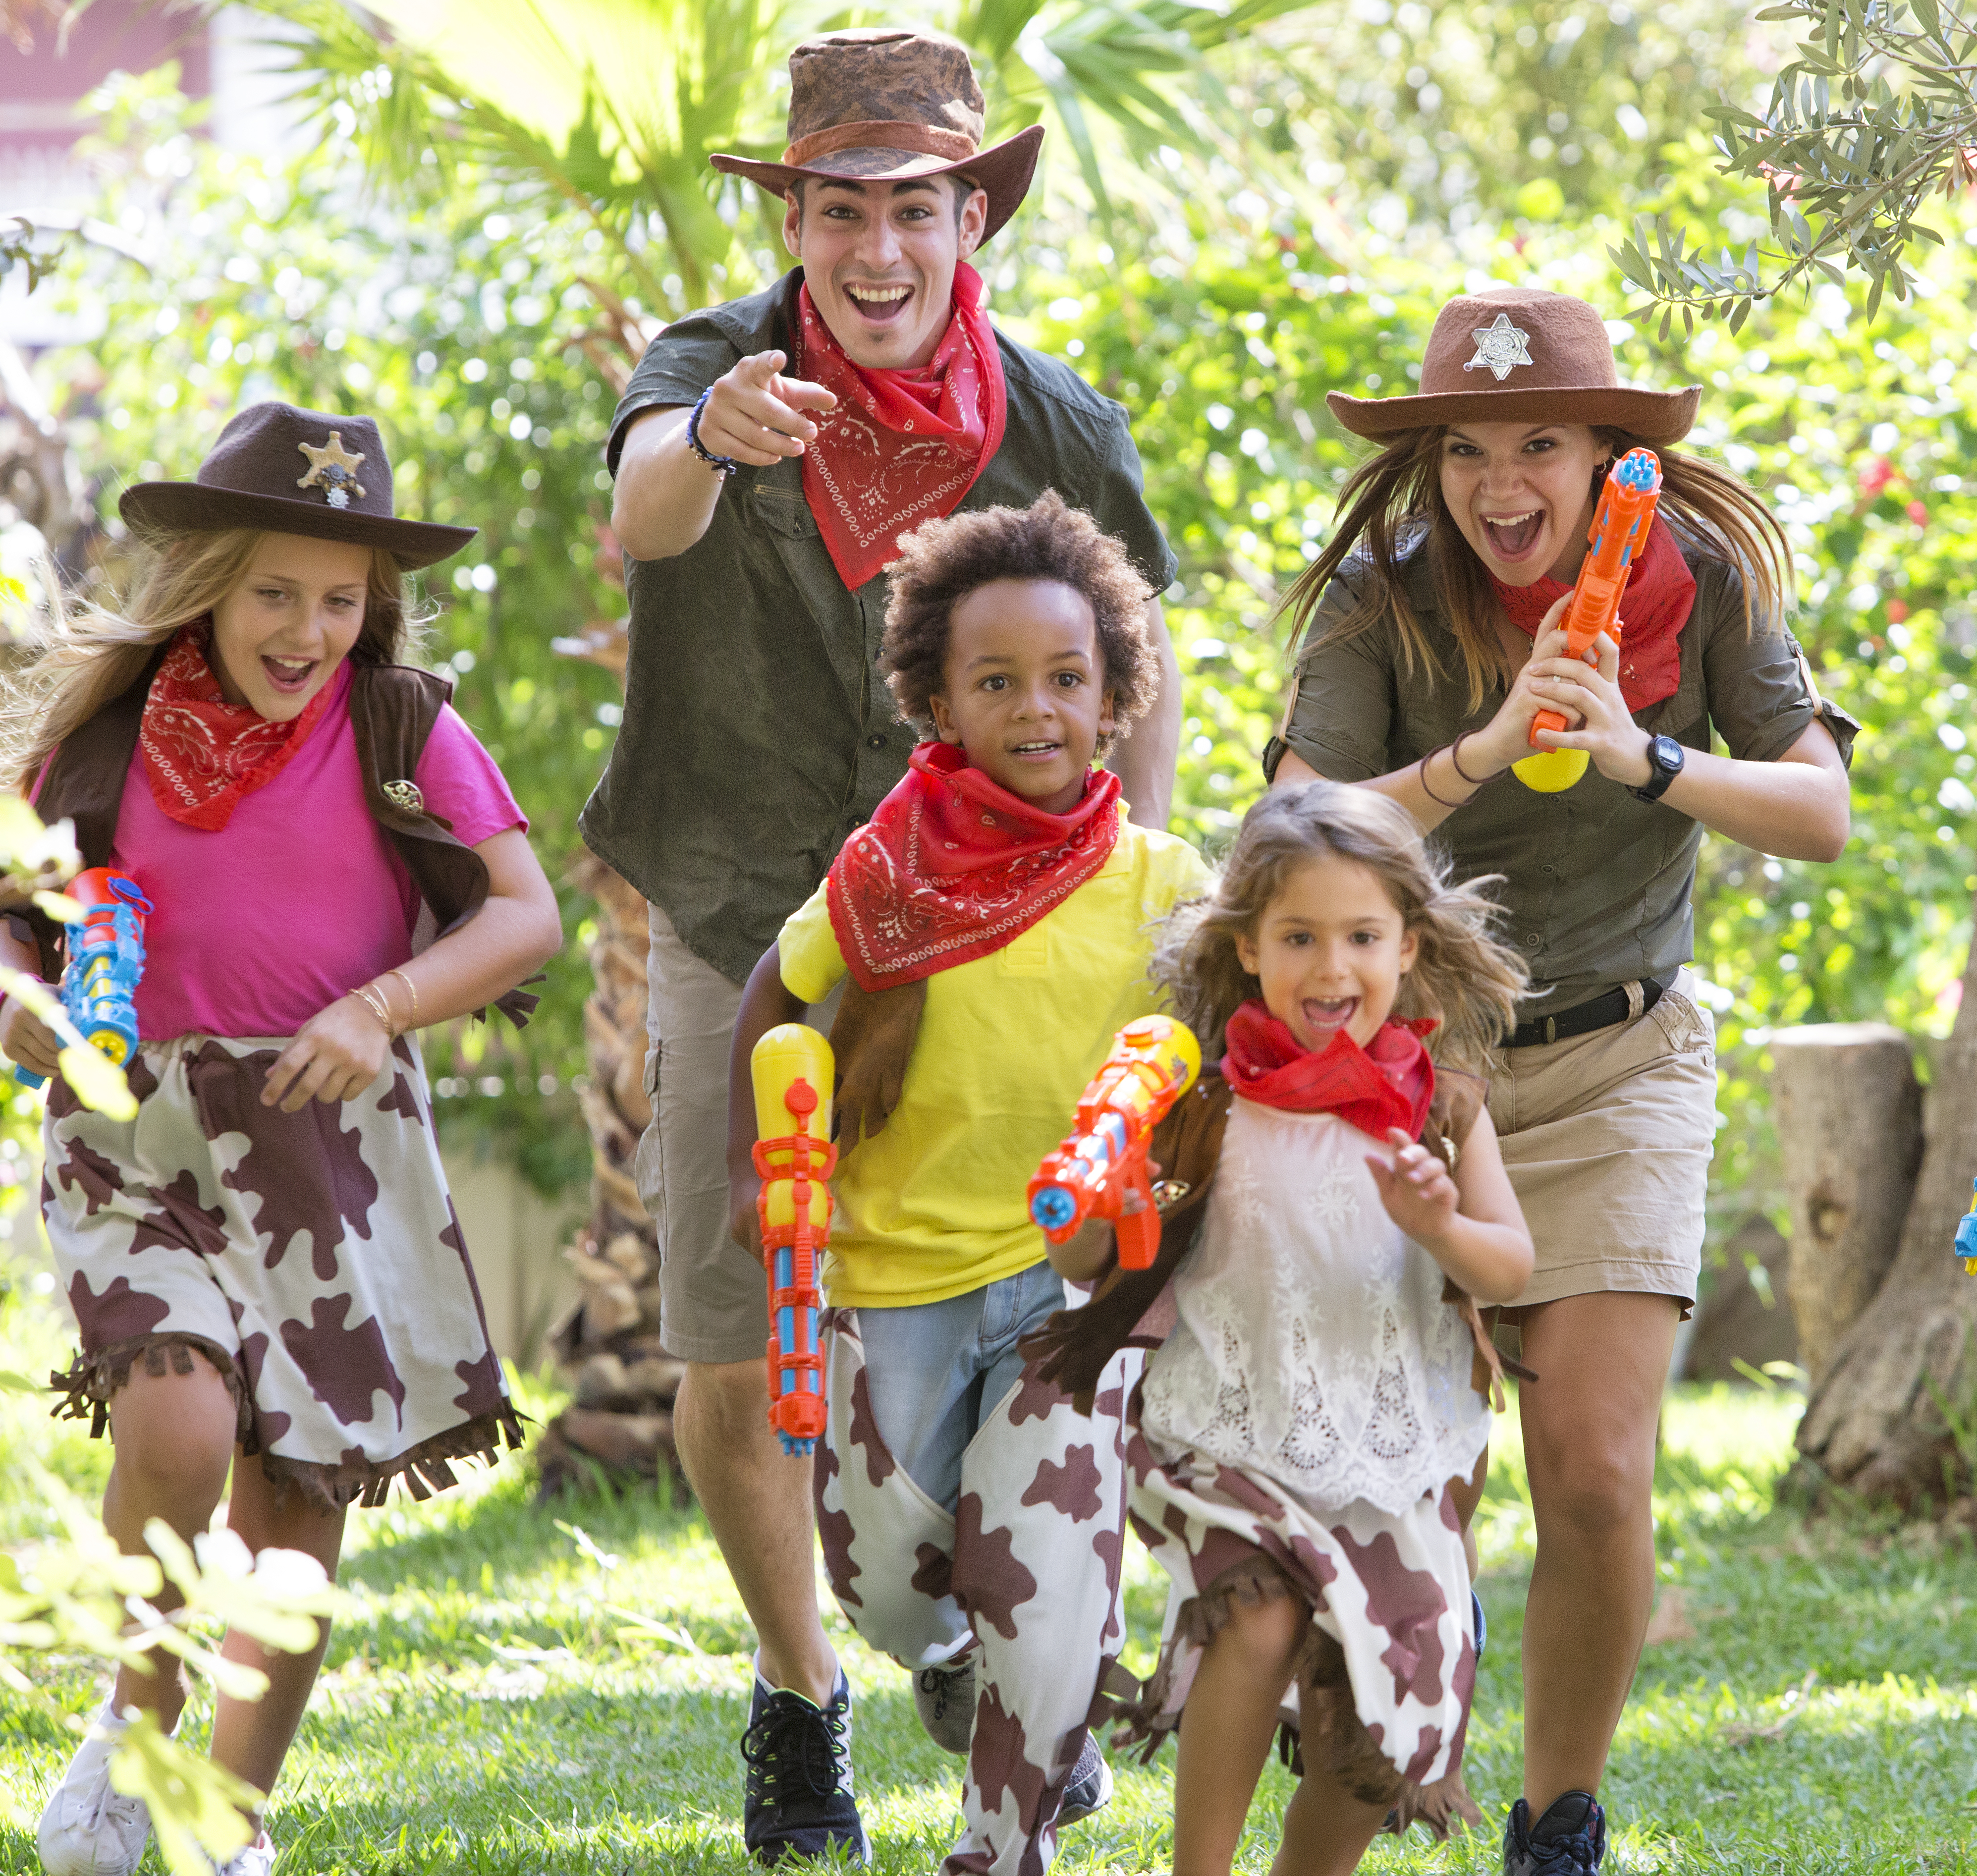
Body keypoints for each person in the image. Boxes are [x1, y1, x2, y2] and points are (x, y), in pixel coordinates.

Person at [588, 24, 1185, 1862]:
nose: (874, 248)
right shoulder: (712, 366)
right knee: (733, 1329)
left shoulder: (1052, 414)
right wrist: (711, 433)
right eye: (839, 207)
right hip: (739, 901)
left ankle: (978, 1641)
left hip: (1006, 916)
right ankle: (801, 1690)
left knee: (1021, 1293)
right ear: (798, 215)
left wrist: (1138, 882)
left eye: (910, 207)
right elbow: (640, 511)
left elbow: (1136, 648)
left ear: (960, 215)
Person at [1266, 285, 1855, 1874]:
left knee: (1591, 1472)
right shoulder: (1382, 604)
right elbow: (1290, 838)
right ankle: (1355, 1739)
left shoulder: (1704, 579)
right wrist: (1479, 751)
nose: (1500, 482)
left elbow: (1819, 813)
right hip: (1399, 1072)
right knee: (1378, 1477)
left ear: (1609, 454)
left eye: (1540, 443)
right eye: (1467, 449)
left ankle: (1557, 1821)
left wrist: (1643, 756)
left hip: (1619, 1056)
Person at [0, 403, 561, 1876]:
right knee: (175, 1423)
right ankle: (135, 1733)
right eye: (275, 593)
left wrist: (383, 1006)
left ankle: (228, 1825)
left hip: (332, 1135)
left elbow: (523, 913)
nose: (308, 630)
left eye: (340, 599)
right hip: (142, 1131)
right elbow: (5, 929)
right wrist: (24, 1013)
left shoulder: (402, 727)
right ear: (210, 586)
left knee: (300, 1481)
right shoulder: (103, 743)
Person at [721, 493, 1210, 1876]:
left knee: (1044, 1592)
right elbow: (774, 996)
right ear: (935, 696)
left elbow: (1227, 1043)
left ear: (1116, 694)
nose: (1036, 708)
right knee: (883, 1584)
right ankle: (944, 1661)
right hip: (895, 1278)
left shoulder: (1161, 883)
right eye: (996, 681)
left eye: (1067, 678)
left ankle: (1005, 1838)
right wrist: (767, 1162)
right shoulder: (883, 870)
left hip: (1078, 1288)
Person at [1028, 781, 1533, 1875]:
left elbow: (1511, 1263)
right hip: (1228, 1431)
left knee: (1386, 1716)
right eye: (1297, 937)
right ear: (1246, 948)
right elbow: (1084, 1261)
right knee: (1253, 1624)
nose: (1331, 968)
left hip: (1395, 1450)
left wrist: (1441, 1224)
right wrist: (1100, 1192)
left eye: (1362, 936)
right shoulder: (1199, 1100)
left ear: (1409, 947)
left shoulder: (1441, 1103)